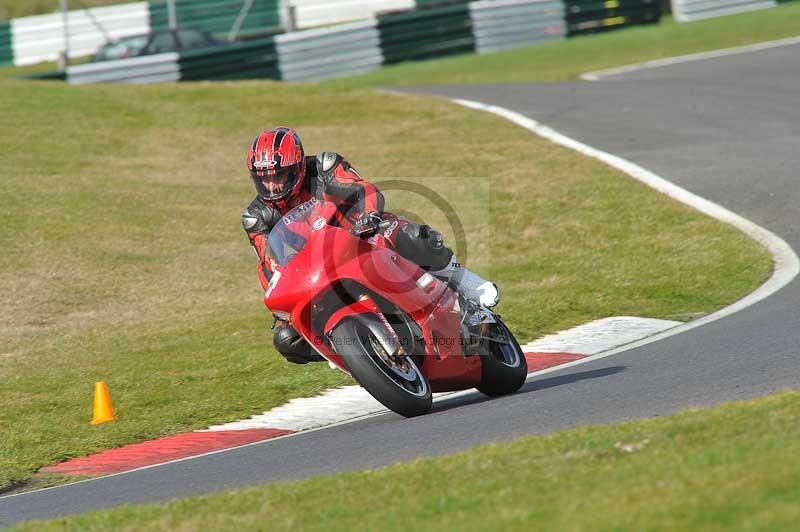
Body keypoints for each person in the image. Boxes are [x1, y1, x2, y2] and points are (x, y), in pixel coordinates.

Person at [242, 126, 499, 364]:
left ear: (298, 166)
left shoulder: (323, 167)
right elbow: (268, 265)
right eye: (264, 179)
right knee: (287, 339)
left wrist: (369, 216)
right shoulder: (256, 217)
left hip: (363, 238)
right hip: (320, 271)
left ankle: (464, 283)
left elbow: (362, 190)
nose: (272, 186)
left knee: (409, 234)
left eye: (280, 176)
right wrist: (282, 306)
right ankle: (351, 354)